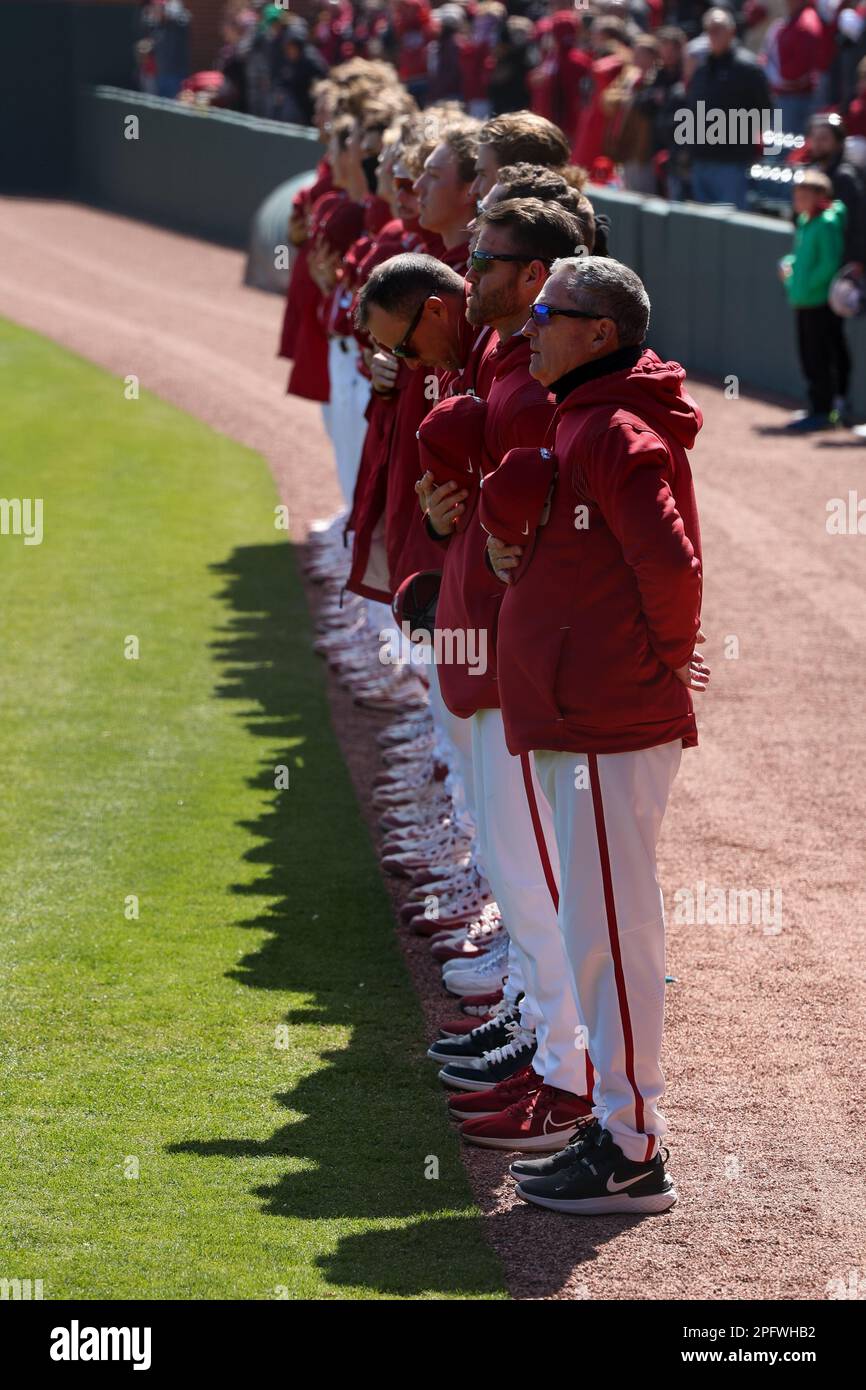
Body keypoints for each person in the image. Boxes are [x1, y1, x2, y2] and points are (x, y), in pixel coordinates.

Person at [483, 255, 708, 1214]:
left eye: (548, 311)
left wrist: (663, 659)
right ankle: (617, 1123)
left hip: (613, 718)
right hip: (588, 713)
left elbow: (672, 563)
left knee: (611, 935)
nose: (529, 327)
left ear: (599, 332)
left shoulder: (614, 427)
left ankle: (632, 1151)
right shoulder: (586, 413)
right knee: (594, 931)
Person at [779, 169, 850, 430]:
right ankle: (816, 407)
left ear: (820, 196)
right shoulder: (805, 221)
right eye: (797, 193)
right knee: (808, 356)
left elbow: (829, 264)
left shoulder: (827, 223)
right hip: (803, 300)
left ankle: (825, 411)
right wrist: (790, 267)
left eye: (805, 193)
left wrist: (804, 284)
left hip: (819, 302)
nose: (798, 198)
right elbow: (800, 257)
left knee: (821, 358)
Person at [684, 8, 771, 210]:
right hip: (701, 160)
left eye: (718, 29)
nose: (713, 35)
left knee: (733, 227)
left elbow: (765, 109)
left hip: (732, 163)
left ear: (732, 32)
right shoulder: (702, 69)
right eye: (709, 30)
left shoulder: (747, 68)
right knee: (703, 227)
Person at [807, 113, 866, 269]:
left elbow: (852, 227)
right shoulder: (812, 174)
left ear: (839, 143)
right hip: (815, 262)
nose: (818, 143)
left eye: (824, 138)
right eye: (815, 138)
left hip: (840, 264)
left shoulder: (845, 177)